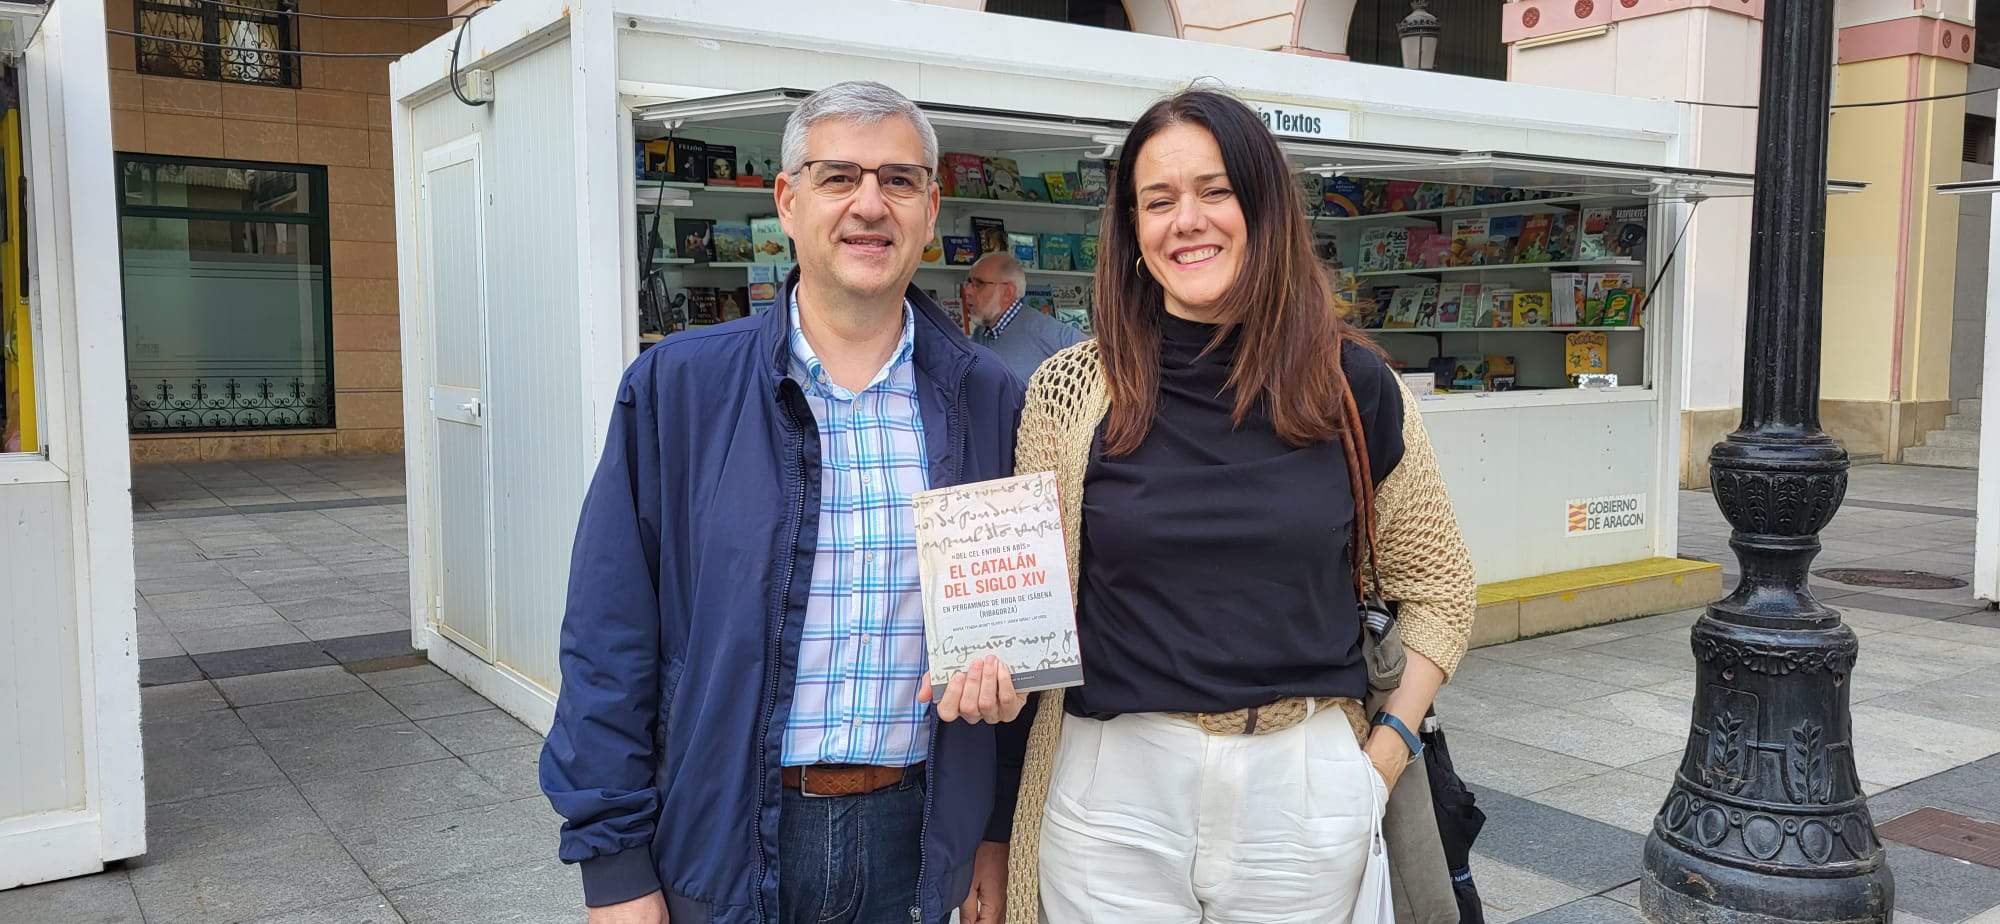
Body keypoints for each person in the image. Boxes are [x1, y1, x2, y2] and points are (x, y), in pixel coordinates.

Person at [541, 81, 1032, 924]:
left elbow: (1009, 629)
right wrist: (614, 864)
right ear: (788, 200)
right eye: (838, 177)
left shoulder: (988, 398)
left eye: (899, 180)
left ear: (932, 205)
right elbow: (608, 635)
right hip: (728, 834)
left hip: (915, 843)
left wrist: (993, 829)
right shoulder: (678, 389)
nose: (869, 205)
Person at [1000, 89, 1479, 922]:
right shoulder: (1069, 392)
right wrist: (993, 669)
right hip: (1112, 796)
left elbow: (1441, 592)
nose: (1187, 220)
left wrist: (1382, 757)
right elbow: (1025, 616)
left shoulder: (1352, 384)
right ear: (1132, 231)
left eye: (1215, 191)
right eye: (1158, 200)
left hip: (1301, 788)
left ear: (1262, 205)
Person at [963, 251, 1083, 382]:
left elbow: (1097, 358)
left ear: (1008, 292)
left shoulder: (1042, 329)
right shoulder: (982, 333)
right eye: (969, 283)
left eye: (979, 284)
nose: (967, 291)